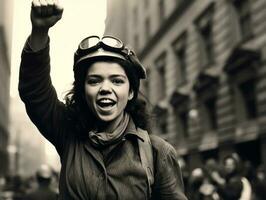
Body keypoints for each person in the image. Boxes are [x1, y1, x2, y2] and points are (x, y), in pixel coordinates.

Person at [18, 0, 187, 199]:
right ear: (82, 91)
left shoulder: (159, 153)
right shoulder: (68, 135)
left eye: (117, 81)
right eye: (94, 81)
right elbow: (35, 93)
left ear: (131, 92)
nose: (105, 88)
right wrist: (39, 31)